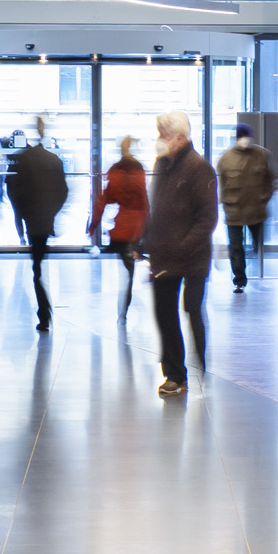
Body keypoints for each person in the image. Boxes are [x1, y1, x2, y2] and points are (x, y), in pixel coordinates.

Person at [142, 110, 217, 395]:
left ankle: (201, 362)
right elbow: (155, 206)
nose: (160, 139)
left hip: (192, 257)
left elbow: (207, 219)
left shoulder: (199, 168)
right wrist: (144, 241)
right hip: (163, 255)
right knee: (165, 313)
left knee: (192, 309)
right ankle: (175, 374)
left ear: (180, 138)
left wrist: (182, 245)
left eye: (164, 135)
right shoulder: (161, 164)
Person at [6, 116, 70, 331]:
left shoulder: (24, 159)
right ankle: (44, 311)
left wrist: (23, 214)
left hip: (32, 219)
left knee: (37, 268)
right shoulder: (54, 160)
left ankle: (44, 313)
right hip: (45, 218)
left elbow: (14, 189)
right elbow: (63, 191)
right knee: (39, 266)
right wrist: (52, 212)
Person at [216, 115, 277, 291]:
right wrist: (224, 203)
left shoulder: (262, 155)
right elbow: (221, 185)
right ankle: (239, 280)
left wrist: (263, 199)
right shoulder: (226, 158)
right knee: (235, 247)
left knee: (258, 243)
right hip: (233, 211)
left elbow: (271, 180)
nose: (244, 139)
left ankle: (253, 265)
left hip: (256, 210)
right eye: (241, 136)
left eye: (246, 136)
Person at [93, 137, 150, 321]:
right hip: (135, 227)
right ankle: (124, 310)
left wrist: (93, 224)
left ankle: (123, 311)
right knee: (129, 272)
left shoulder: (116, 170)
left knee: (125, 271)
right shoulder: (139, 169)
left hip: (122, 229)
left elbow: (105, 199)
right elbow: (144, 202)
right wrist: (147, 228)